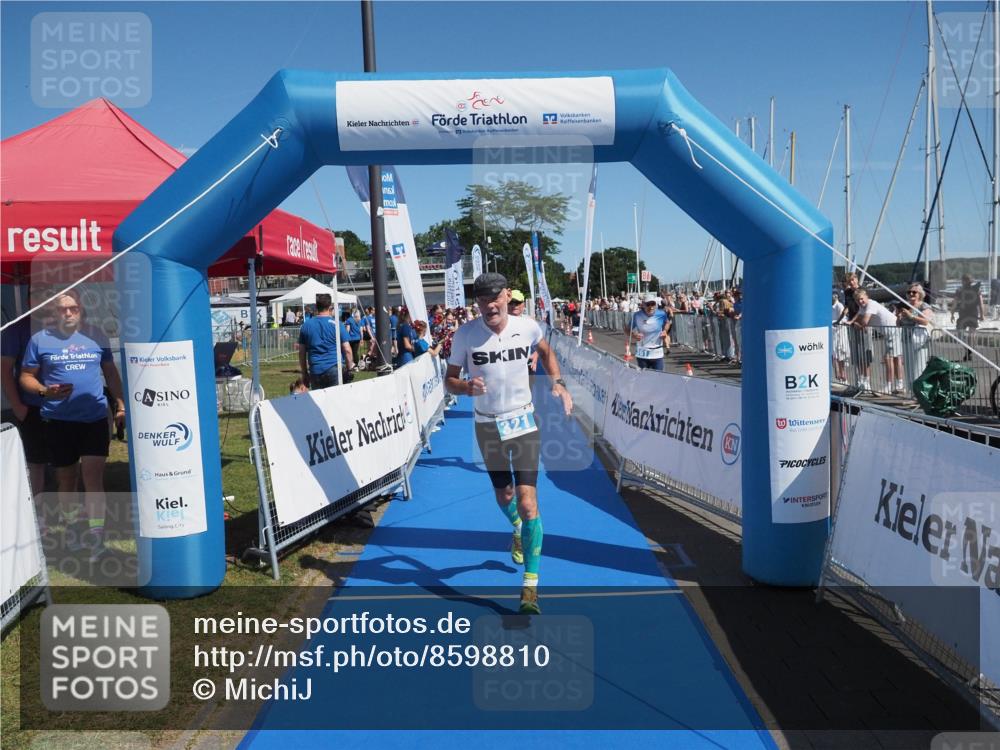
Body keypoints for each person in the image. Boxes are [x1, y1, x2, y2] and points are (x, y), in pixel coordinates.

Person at [445, 273, 572, 615]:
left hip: (523, 422)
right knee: (505, 496)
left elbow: (546, 352)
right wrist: (464, 387)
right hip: (488, 427)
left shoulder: (527, 327)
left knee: (529, 503)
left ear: (506, 296)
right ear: (477, 304)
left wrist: (558, 383)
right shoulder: (466, 334)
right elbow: (450, 380)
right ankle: (517, 528)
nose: (489, 305)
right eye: (482, 300)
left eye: (494, 298)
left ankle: (530, 586)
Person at [19, 290, 125, 561]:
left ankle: (96, 539)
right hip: (58, 420)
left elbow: (110, 372)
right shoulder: (39, 340)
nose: (68, 313)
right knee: (67, 479)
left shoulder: (96, 335)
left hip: (94, 418)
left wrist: (121, 404)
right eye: (62, 309)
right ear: (53, 313)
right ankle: (74, 531)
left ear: (81, 310)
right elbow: (26, 376)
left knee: (92, 477)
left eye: (73, 308)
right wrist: (44, 390)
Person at [298, 293, 355, 389]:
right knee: (336, 401)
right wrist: (349, 368)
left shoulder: (306, 326)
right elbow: (347, 349)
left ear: (316, 307)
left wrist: (304, 373)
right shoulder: (337, 324)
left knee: (319, 402)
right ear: (330, 307)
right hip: (334, 368)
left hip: (315, 370)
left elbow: (301, 353)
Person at [852, 289, 903, 394]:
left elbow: (864, 321)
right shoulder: (863, 307)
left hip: (893, 330)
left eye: (862, 299)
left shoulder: (871, 304)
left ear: (867, 297)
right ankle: (899, 384)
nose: (860, 302)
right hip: (889, 332)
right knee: (895, 358)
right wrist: (854, 323)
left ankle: (889, 386)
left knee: (889, 358)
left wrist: (859, 326)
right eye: (858, 300)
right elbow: (858, 318)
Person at [897, 284, 933, 388]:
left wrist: (911, 316)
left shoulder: (924, 306)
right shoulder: (904, 305)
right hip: (906, 339)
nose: (911, 294)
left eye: (914, 292)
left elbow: (926, 321)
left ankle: (918, 395)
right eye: (909, 292)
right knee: (908, 368)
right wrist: (899, 317)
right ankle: (911, 393)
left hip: (919, 341)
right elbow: (898, 324)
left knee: (918, 368)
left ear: (920, 294)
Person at [630, 293, 670, 371]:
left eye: (653, 304)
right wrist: (634, 335)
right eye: (648, 304)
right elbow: (627, 329)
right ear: (643, 305)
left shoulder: (661, 314)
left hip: (657, 353)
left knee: (659, 377)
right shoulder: (637, 315)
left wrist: (665, 331)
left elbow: (667, 323)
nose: (651, 307)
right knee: (644, 379)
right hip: (643, 353)